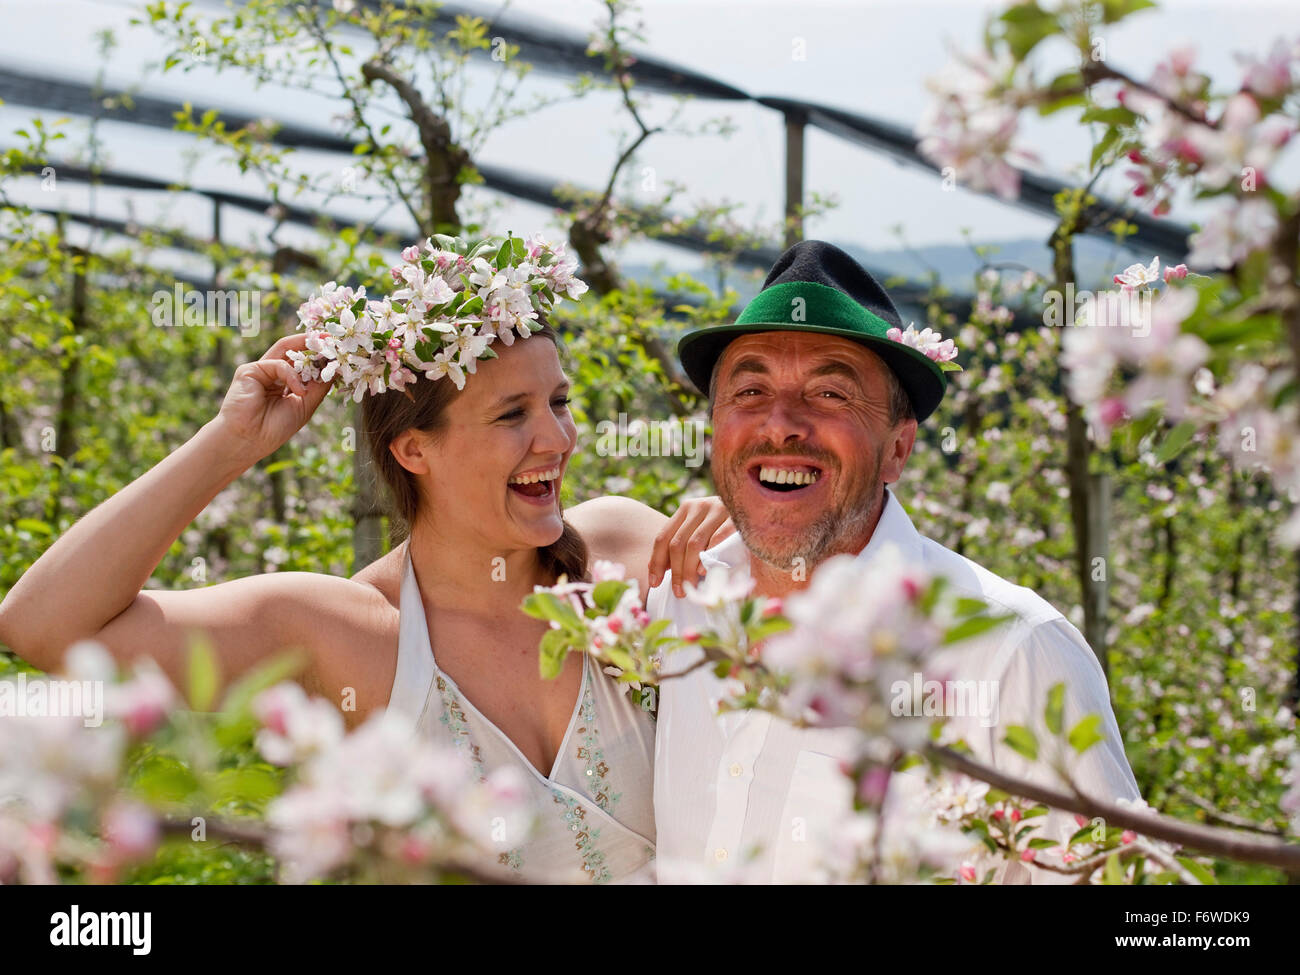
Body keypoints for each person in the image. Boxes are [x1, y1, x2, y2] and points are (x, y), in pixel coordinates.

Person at [0, 255, 734, 884]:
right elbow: (42, 625)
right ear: (414, 450)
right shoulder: (346, 633)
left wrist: (743, 524)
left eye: (560, 401)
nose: (558, 436)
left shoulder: (626, 547)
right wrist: (231, 445)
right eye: (513, 414)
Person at [647, 239, 1142, 884]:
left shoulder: (1013, 650)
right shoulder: (675, 602)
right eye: (749, 390)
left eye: (829, 393)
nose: (781, 425)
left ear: (897, 451)